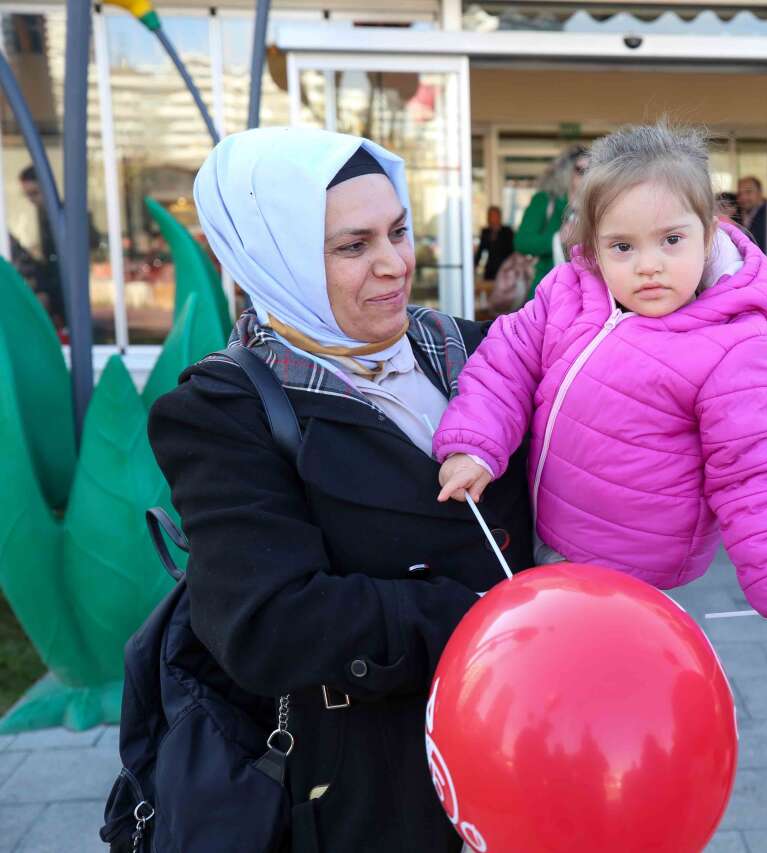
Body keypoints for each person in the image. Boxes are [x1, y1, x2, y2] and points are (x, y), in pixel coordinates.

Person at [149, 127, 535, 853]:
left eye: (397, 231)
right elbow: (265, 621)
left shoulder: (475, 349)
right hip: (380, 785)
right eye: (353, 246)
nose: (394, 265)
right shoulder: (225, 412)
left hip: (530, 739)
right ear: (278, 257)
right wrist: (480, 621)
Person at [432, 123, 767, 631]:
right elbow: (505, 363)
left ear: (708, 234)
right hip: (541, 528)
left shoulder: (740, 346)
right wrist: (475, 445)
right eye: (622, 246)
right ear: (594, 246)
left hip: (632, 568)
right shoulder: (570, 291)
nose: (649, 266)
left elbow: (755, 472)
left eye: (670, 240)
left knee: (612, 679)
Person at [8, 164, 100, 333]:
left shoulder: (67, 214)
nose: (31, 200)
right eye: (27, 195)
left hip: (66, 287)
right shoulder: (42, 215)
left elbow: (91, 241)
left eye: (34, 193)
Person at [515, 144, 588, 301]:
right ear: (566, 172)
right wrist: (558, 238)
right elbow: (522, 242)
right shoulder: (545, 200)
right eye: (581, 170)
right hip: (546, 291)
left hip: (585, 293)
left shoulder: (596, 204)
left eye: (593, 170)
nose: (587, 175)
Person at [473, 205, 514, 283]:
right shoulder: (486, 232)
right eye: (491, 216)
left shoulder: (507, 232)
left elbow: (511, 251)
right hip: (490, 269)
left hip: (505, 269)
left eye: (495, 215)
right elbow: (481, 250)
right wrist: (475, 265)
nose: (493, 218)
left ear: (499, 217)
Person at [736, 176, 767, 254]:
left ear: (760, 192)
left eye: (748, 192)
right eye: (740, 193)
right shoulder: (739, 214)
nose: (743, 197)